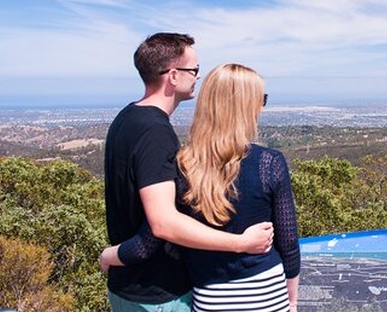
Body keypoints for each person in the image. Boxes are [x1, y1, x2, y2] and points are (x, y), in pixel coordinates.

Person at [103, 63, 301, 312]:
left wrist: (110, 255)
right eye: (261, 99)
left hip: (211, 296)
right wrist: (292, 301)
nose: (262, 106)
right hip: (266, 292)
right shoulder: (269, 163)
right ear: (247, 106)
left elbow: (150, 239)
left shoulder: (184, 166)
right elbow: (289, 243)